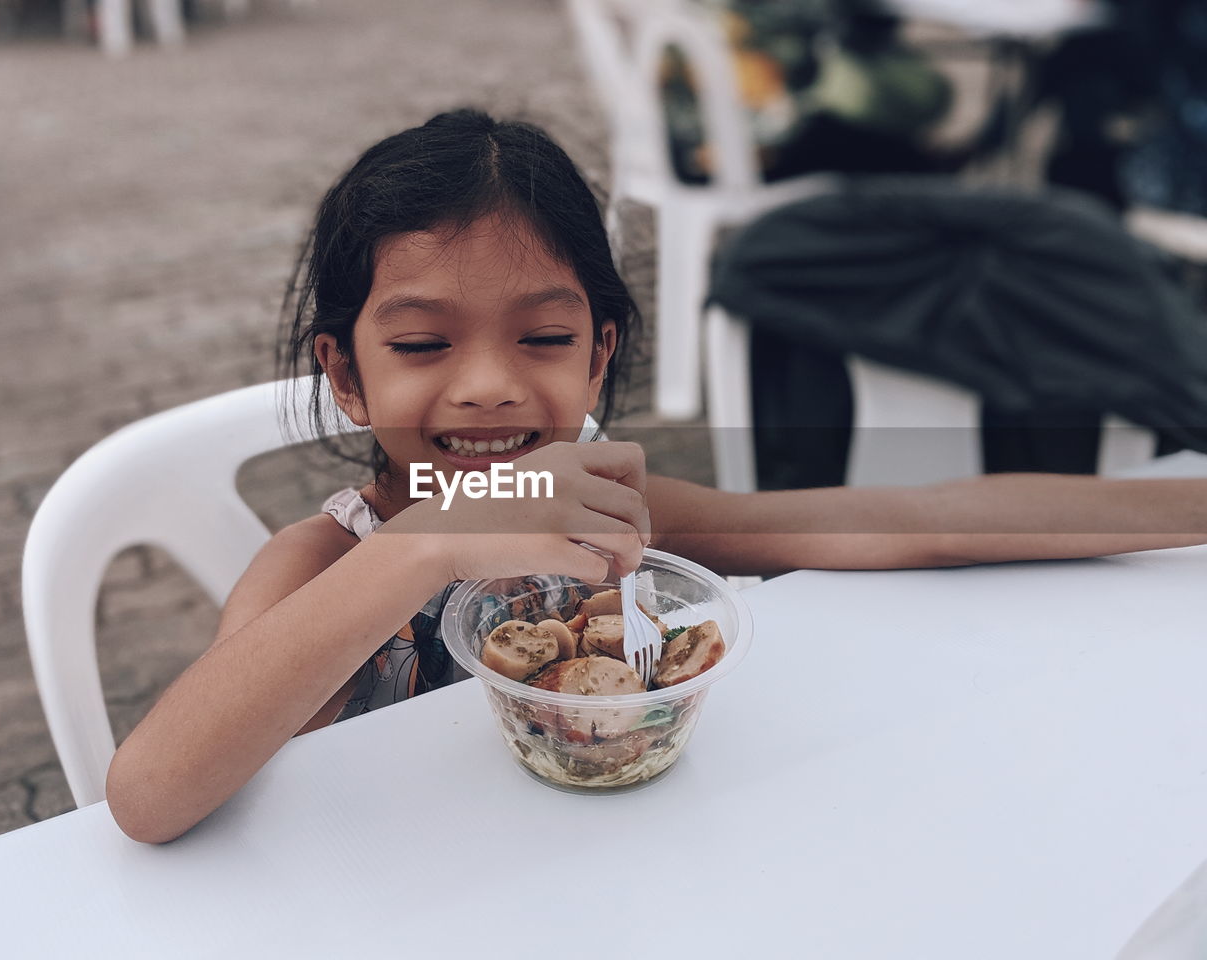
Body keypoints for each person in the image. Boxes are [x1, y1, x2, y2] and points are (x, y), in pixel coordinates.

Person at [105, 109, 1207, 844]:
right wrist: (431, 542)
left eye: (540, 340)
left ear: (600, 352)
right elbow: (151, 795)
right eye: (424, 346)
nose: (486, 387)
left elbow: (902, 522)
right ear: (345, 375)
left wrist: (1187, 506)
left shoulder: (610, 521)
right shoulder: (319, 557)